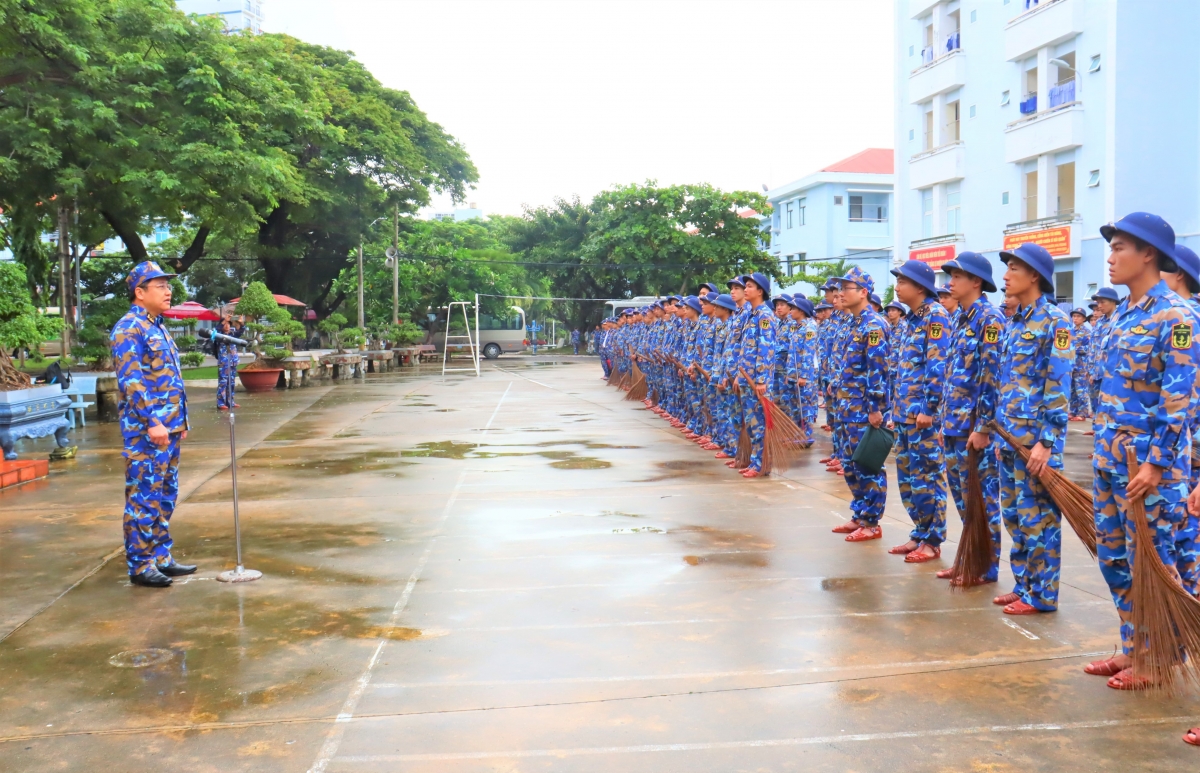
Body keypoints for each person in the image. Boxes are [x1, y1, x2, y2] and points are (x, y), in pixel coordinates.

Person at [1084, 213, 1198, 690]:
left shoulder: (1177, 316)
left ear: (1148, 254)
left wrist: (1156, 462)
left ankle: (1161, 653)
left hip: (1150, 469)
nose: (1110, 258)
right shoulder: (1123, 315)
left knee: (1155, 562)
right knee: (1115, 559)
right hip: (1110, 461)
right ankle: (1135, 646)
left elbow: (1180, 399)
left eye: (1121, 248)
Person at [980, 242, 1072, 615]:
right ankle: (1024, 585)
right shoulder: (1015, 322)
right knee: (1016, 516)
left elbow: (1059, 385)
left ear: (1034, 275)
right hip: (1010, 438)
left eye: (1013, 269)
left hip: (1035, 441)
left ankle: (1043, 594)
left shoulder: (1056, 323)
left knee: (1040, 520)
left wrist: (1047, 442)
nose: (1005, 276)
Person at [110, 262, 196, 588]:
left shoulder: (157, 326)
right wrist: (153, 422)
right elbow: (133, 382)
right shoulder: (128, 329)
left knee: (165, 496)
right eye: (160, 285)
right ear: (140, 292)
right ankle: (140, 564)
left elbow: (168, 379)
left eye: (167, 285)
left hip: (169, 428)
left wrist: (179, 422)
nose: (168, 290)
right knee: (143, 498)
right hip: (147, 431)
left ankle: (161, 556)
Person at [938, 252, 1005, 584]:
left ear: (976, 282)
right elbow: (953, 375)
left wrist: (983, 427)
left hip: (973, 429)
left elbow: (991, 377)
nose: (950, 281)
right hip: (953, 424)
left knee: (982, 498)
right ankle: (969, 555)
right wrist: (943, 422)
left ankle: (986, 565)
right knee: (963, 499)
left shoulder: (989, 320)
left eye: (957, 276)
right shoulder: (958, 318)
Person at [887, 259, 951, 564]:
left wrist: (929, 408)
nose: (897, 287)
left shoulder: (936, 317)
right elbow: (902, 369)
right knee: (910, 479)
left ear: (920, 287)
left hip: (921, 415)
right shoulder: (911, 319)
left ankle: (933, 538)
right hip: (903, 413)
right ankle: (920, 531)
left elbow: (936, 366)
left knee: (928, 476)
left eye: (902, 281)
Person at [832, 266, 890, 542]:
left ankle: (872, 521)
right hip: (847, 408)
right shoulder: (853, 324)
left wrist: (875, 407)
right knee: (850, 465)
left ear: (863, 292)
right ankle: (860, 514)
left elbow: (877, 369)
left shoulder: (874, 325)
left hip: (863, 411)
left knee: (868, 465)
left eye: (847, 288)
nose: (841, 293)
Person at [734, 273, 776, 478]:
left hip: (756, 382)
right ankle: (755, 462)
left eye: (749, 286)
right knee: (752, 424)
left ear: (760, 291)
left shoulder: (765, 316)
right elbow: (744, 349)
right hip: (746, 379)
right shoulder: (750, 315)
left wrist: (761, 380)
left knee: (758, 424)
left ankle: (761, 464)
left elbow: (765, 350)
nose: (746, 289)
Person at [1067, 308, 1093, 420]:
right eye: (1074, 316)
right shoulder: (1070, 331)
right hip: (1071, 365)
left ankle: (1082, 413)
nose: (1075, 318)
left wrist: (1075, 349)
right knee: (1072, 390)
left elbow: (1090, 348)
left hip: (1081, 366)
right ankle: (1073, 411)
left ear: (1083, 319)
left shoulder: (1087, 332)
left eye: (1078, 316)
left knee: (1081, 390)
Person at [214, 315, 244, 411]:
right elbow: (214, 332)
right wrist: (223, 321)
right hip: (224, 362)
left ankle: (230, 401)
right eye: (225, 324)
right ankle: (221, 403)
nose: (227, 326)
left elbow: (240, 332)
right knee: (223, 382)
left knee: (231, 383)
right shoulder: (219, 335)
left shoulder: (232, 335)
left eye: (228, 324)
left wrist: (240, 322)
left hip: (233, 362)